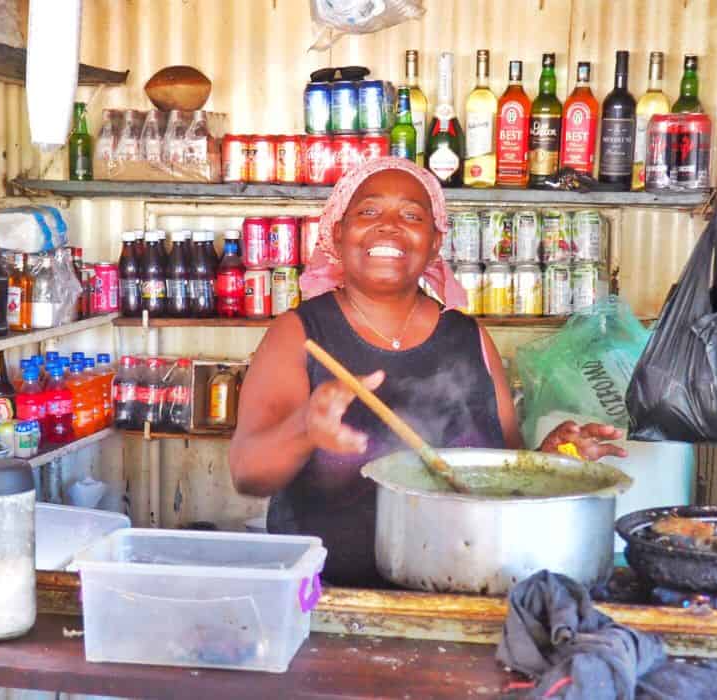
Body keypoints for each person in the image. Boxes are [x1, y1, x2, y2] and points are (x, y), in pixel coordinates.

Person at [229, 157, 626, 587]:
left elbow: (503, 482)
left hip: (461, 594)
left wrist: (553, 462)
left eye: (412, 215)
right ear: (338, 234)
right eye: (368, 211)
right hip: (330, 604)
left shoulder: (470, 338)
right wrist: (306, 429)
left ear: (435, 243)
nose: (389, 225)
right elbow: (248, 473)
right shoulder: (299, 333)